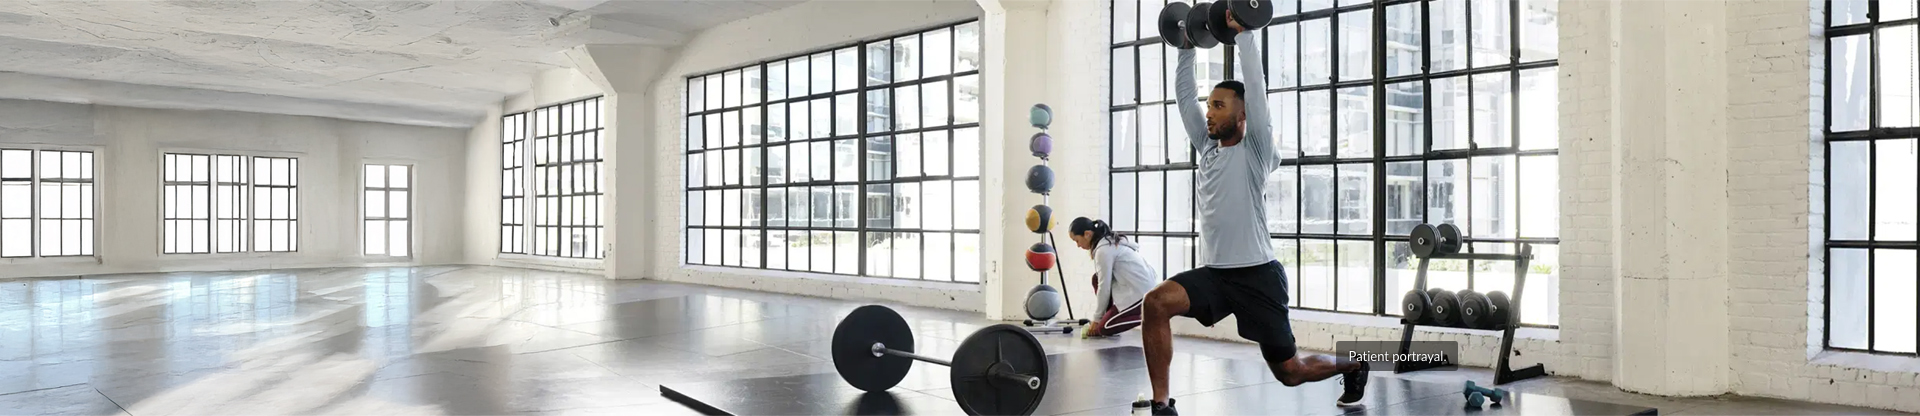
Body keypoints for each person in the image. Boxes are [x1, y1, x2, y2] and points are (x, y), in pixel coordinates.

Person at [1141, 13, 1369, 416]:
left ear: (1241, 115)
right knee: (1156, 303)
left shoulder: (1256, 152)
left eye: (1218, 105)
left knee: (1290, 371)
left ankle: (1353, 363)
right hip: (1215, 274)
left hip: (1257, 276)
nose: (1208, 112)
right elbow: (1181, 98)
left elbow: (1259, 95)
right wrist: (1186, 49)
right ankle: (1162, 404)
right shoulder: (1207, 150)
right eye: (1208, 105)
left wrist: (1245, 35)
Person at [1067, 217, 1156, 338]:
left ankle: (1151, 315)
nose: (1078, 245)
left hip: (1142, 295)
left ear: (1087, 234)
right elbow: (1102, 282)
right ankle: (1109, 316)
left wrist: (1096, 319)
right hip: (1137, 290)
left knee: (1104, 328)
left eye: (1077, 240)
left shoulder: (1103, 251)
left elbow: (1104, 286)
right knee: (1096, 278)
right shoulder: (1108, 244)